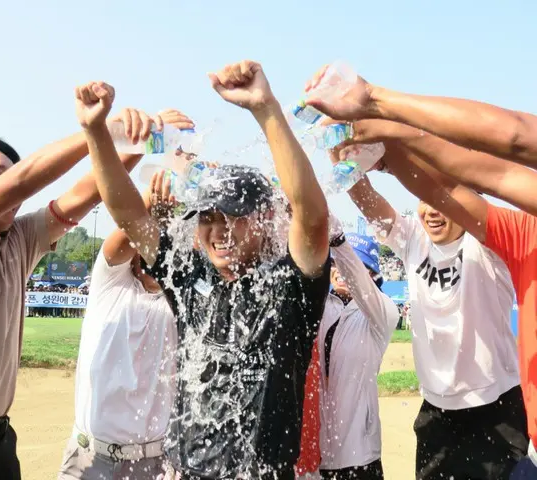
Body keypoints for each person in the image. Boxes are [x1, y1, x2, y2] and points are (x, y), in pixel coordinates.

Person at [0, 82, 185, 479]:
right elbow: (25, 181)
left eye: (11, 174)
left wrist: (145, 141)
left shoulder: (17, 240)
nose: (12, 190)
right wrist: (102, 126)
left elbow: (86, 193)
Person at [77, 61, 331, 479]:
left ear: (265, 217)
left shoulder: (290, 286)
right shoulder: (187, 278)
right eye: (207, 218)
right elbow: (125, 212)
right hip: (183, 470)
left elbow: (312, 215)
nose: (218, 231)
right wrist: (95, 132)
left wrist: (265, 108)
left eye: (234, 216)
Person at [305, 66, 537, 478]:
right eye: (424, 201)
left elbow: (509, 150)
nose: (431, 210)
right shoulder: (411, 237)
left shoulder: (492, 245)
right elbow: (366, 197)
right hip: (436, 410)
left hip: (494, 407)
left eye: (441, 199)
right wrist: (338, 149)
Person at [58, 112, 195, 480]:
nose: (151, 249)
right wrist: (160, 174)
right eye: (146, 241)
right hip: (90, 460)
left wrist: (192, 180)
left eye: (162, 241)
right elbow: (127, 226)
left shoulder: (181, 299)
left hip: (156, 462)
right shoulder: (111, 280)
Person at [297, 217, 399, 480]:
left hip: (359, 455)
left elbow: (361, 287)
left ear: (373, 274)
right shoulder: (320, 306)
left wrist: (340, 243)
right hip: (315, 452)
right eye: (335, 263)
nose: (340, 268)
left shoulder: (382, 312)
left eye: (358, 264)